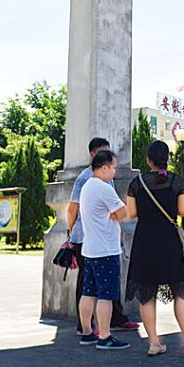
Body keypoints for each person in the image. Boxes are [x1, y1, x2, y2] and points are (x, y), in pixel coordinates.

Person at [125, 140, 184, 358]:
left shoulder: (136, 183)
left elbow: (130, 213)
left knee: (147, 293)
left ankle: (154, 343)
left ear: (148, 160)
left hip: (145, 241)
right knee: (180, 291)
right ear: (166, 158)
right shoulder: (176, 181)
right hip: (168, 241)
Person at [65, 137, 138, 335]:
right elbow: (73, 209)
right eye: (103, 153)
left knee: (93, 289)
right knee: (98, 289)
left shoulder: (97, 182)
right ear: (95, 157)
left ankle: (102, 324)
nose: (113, 169)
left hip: (95, 241)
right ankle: (96, 330)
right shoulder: (87, 180)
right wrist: (71, 234)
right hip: (92, 240)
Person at [77, 150, 131, 350]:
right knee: (106, 295)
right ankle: (105, 336)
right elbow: (124, 212)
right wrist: (116, 212)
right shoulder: (104, 188)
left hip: (89, 249)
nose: (114, 173)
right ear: (105, 167)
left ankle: (87, 333)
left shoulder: (86, 186)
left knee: (88, 292)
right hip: (106, 250)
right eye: (113, 168)